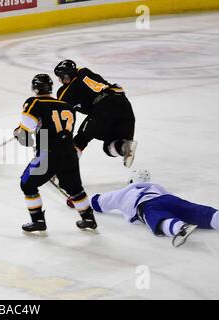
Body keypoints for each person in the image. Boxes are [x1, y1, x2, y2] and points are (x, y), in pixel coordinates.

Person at [14, 74, 97, 233]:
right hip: (70, 153)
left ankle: (38, 220)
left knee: (27, 184)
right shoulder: (66, 105)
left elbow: (24, 133)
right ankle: (89, 219)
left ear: (35, 88)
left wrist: (17, 132)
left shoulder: (34, 102)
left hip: (48, 153)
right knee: (75, 188)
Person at [90, 169, 219, 247]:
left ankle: (179, 227)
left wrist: (77, 201)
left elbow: (99, 201)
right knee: (190, 208)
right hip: (167, 199)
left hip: (146, 205)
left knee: (156, 217)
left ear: (130, 181)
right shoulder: (155, 187)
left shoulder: (123, 192)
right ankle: (215, 217)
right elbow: (174, 200)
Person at [54, 59, 137, 168]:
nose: (60, 80)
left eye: (61, 77)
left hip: (105, 107)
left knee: (81, 139)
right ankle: (124, 146)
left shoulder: (65, 92)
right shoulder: (83, 71)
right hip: (123, 102)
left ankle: (63, 168)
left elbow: (63, 115)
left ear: (66, 76)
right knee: (109, 147)